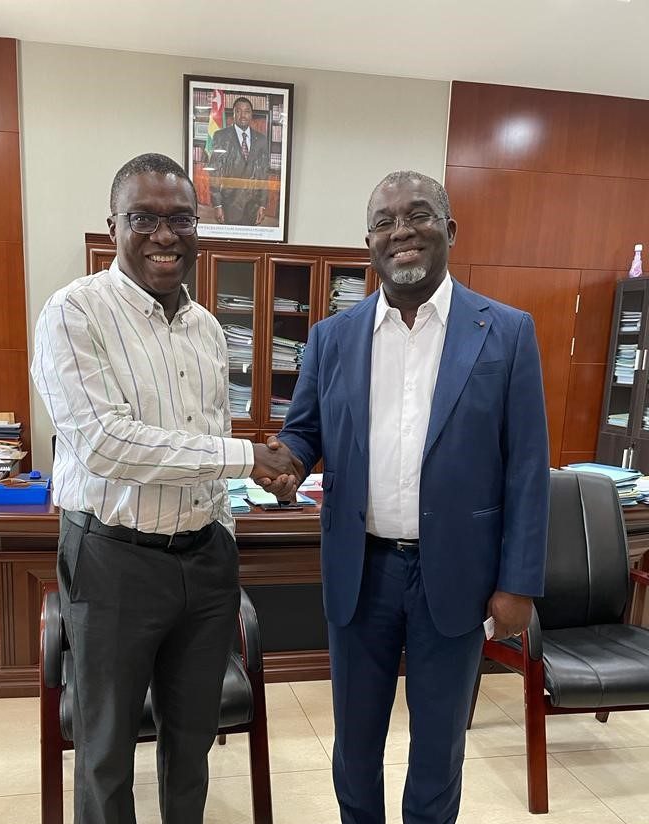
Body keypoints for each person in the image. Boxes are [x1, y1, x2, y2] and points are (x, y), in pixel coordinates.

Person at [261, 171, 549, 824]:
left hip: (459, 577)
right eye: (386, 222)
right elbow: (305, 431)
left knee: (438, 748)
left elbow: (528, 468)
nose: (403, 231)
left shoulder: (505, 332)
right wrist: (286, 462)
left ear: (449, 229)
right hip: (360, 572)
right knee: (355, 748)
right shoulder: (333, 338)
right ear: (369, 244)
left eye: (418, 215)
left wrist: (518, 583)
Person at [31, 152, 298, 824]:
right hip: (114, 560)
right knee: (106, 749)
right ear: (113, 224)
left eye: (180, 218)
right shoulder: (73, 313)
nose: (164, 235)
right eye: (143, 218)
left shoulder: (208, 329)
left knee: (192, 741)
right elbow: (106, 445)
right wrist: (248, 458)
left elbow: (204, 441)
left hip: (205, 561)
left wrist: (227, 535)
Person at [208, 96, 270, 226]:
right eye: (239, 111)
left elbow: (264, 174)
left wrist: (263, 205)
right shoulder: (221, 136)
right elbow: (214, 173)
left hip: (253, 205)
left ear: (251, 115)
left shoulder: (262, 140)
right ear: (233, 114)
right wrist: (217, 204)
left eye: (247, 111)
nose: (243, 115)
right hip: (228, 204)